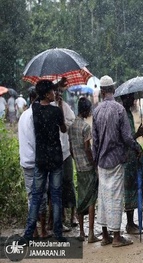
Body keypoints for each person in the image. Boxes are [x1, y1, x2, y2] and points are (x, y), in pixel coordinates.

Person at [92, 75, 140, 247]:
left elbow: (95, 140)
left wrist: (95, 160)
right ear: (113, 89)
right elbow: (127, 137)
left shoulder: (96, 111)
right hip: (117, 159)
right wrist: (135, 147)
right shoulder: (119, 109)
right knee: (116, 198)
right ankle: (117, 237)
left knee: (103, 197)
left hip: (102, 161)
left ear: (102, 91)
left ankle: (105, 236)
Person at [23, 79, 68, 242]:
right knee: (56, 197)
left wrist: (50, 88)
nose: (54, 93)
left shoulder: (34, 109)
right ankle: (58, 233)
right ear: (47, 93)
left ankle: (28, 234)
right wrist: (60, 106)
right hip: (56, 159)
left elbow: (36, 100)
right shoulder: (56, 112)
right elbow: (63, 129)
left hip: (40, 159)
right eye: (52, 91)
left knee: (36, 197)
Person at [18, 87, 49, 239]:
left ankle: (34, 230)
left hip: (25, 161)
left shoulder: (23, 116)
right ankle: (42, 230)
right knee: (41, 196)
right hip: (37, 161)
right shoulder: (36, 116)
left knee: (32, 196)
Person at [68, 97, 100, 243]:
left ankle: (81, 232)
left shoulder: (72, 126)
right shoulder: (85, 127)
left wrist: (77, 160)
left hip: (79, 167)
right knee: (91, 198)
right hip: (88, 167)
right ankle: (91, 233)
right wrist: (93, 163)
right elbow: (87, 148)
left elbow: (71, 148)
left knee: (81, 198)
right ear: (86, 110)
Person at [120, 93, 143, 235]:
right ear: (125, 98)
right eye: (131, 97)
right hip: (127, 156)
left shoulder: (128, 112)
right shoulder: (122, 113)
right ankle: (129, 223)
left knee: (133, 188)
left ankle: (132, 222)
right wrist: (136, 136)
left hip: (131, 155)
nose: (133, 100)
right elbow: (127, 138)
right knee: (129, 188)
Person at [51, 87, 76, 229]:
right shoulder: (49, 108)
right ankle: (60, 217)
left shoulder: (66, 107)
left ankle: (72, 215)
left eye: (60, 92)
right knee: (56, 185)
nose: (58, 95)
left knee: (69, 183)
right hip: (54, 153)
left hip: (66, 151)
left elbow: (70, 123)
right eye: (56, 92)